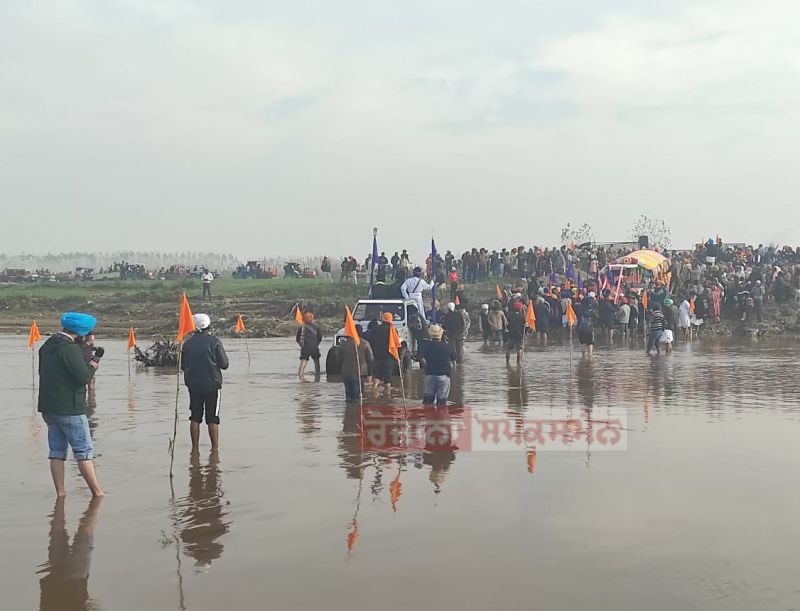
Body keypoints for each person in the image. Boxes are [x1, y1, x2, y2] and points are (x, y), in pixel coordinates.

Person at [38, 312, 104, 497]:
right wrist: (94, 363)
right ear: (81, 332)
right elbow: (83, 377)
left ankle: (60, 493)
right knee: (83, 451)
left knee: (56, 451)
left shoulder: (47, 346)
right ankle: (98, 494)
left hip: (48, 407)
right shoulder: (70, 349)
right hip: (70, 407)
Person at [182, 314, 230, 452]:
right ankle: (214, 450)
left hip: (193, 385)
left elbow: (182, 366)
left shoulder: (187, 344)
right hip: (212, 386)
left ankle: (194, 449)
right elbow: (225, 364)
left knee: (195, 417)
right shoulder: (215, 342)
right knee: (213, 418)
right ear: (209, 326)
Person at [419, 324, 456, 406]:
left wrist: (426, 368)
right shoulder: (448, 346)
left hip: (429, 376)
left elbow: (421, 359)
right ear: (441, 334)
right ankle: (440, 417)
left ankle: (428, 416)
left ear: (430, 334)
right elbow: (453, 359)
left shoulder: (426, 346)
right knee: (442, 403)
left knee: (427, 402)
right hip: (444, 376)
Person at [339, 328, 374, 402]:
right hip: (359, 373)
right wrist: (369, 374)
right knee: (357, 398)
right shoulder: (365, 343)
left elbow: (338, 360)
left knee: (348, 397)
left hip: (346, 373)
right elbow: (370, 360)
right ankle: (354, 412)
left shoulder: (343, 345)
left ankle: (348, 412)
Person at [368, 312, 394, 389]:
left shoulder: (375, 329)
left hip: (376, 357)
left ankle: (374, 392)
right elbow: (395, 345)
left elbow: (371, 342)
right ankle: (387, 396)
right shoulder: (392, 331)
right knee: (387, 379)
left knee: (377, 377)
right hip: (388, 357)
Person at [296, 311, 323, 379]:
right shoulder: (316, 327)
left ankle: (300, 377)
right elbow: (319, 338)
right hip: (314, 347)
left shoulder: (302, 328)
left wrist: (302, 345)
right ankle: (317, 376)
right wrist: (316, 344)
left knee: (303, 362)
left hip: (305, 347)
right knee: (316, 362)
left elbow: (297, 339)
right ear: (312, 318)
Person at [505, 301, 526, 365]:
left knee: (508, 349)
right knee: (519, 349)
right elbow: (525, 326)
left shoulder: (510, 315)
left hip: (511, 335)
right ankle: (518, 362)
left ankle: (507, 362)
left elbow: (507, 324)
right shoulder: (523, 316)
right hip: (520, 335)